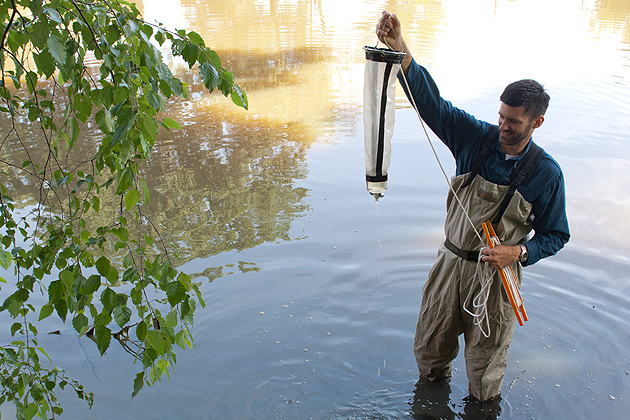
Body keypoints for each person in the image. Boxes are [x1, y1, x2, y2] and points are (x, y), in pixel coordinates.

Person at [375, 11, 570, 404]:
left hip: (497, 282)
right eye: (500, 116)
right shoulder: (474, 138)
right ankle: (428, 407)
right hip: (450, 267)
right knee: (430, 356)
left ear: (537, 122)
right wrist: (402, 52)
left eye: (513, 121)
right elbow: (436, 108)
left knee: (485, 377)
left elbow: (557, 235)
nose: (502, 126)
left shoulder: (547, 173)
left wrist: (519, 251)